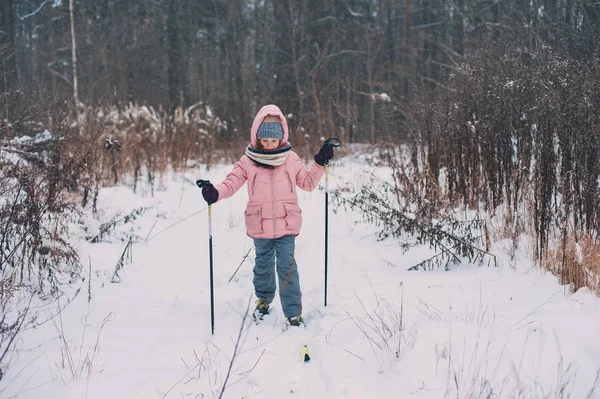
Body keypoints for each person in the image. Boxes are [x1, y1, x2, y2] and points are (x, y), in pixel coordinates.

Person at [200, 104, 335, 327]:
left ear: (281, 138)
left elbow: (308, 183)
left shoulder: (290, 159)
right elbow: (231, 183)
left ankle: (293, 312)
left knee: (286, 265)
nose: (270, 145)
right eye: (265, 140)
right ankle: (263, 300)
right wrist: (215, 193)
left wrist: (320, 162)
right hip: (259, 224)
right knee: (262, 265)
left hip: (286, 223)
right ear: (257, 138)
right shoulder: (248, 160)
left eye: (274, 140)